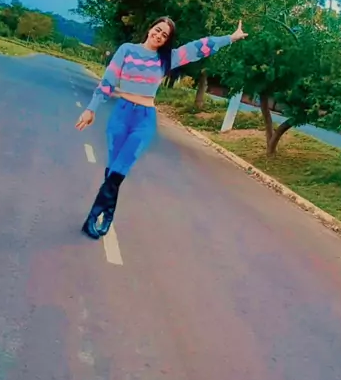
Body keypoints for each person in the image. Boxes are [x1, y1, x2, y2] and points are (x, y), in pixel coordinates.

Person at [76, 16, 248, 239]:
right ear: (150, 28)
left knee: (119, 171)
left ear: (167, 40)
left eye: (164, 35)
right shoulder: (127, 50)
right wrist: (91, 109)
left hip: (144, 120)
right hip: (121, 115)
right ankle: (108, 214)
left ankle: (92, 218)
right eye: (157, 30)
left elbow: (199, 47)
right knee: (112, 169)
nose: (159, 35)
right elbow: (108, 81)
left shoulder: (167, 58)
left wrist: (231, 38)